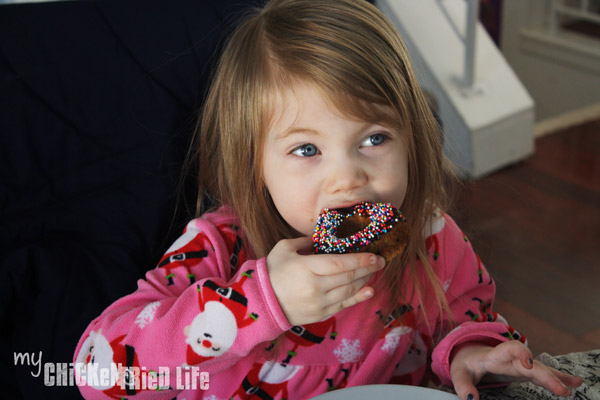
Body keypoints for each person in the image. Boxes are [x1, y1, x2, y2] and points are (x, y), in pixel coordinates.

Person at [73, 1, 583, 399]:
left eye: (374, 138)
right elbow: (96, 370)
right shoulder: (218, 249)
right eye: (307, 149)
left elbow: (465, 319)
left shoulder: (432, 239)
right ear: (256, 167)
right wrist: (258, 305)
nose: (348, 178)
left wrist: (471, 350)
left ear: (413, 140)